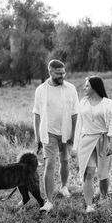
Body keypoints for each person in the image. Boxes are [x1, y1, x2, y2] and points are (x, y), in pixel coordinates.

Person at [33, 59, 79, 212]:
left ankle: (64, 186)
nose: (62, 76)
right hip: (48, 133)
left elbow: (75, 113)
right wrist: (37, 137)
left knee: (65, 161)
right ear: (50, 72)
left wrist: (74, 133)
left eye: (63, 73)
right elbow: (37, 114)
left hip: (66, 131)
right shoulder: (41, 90)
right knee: (49, 164)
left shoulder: (70, 88)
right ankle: (49, 201)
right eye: (59, 73)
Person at [73, 76, 112, 213]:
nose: (84, 88)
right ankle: (89, 205)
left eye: (87, 86)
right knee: (89, 172)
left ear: (94, 87)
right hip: (86, 141)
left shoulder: (109, 104)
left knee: (103, 174)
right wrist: (75, 147)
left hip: (103, 141)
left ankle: (104, 198)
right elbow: (78, 125)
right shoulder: (83, 103)